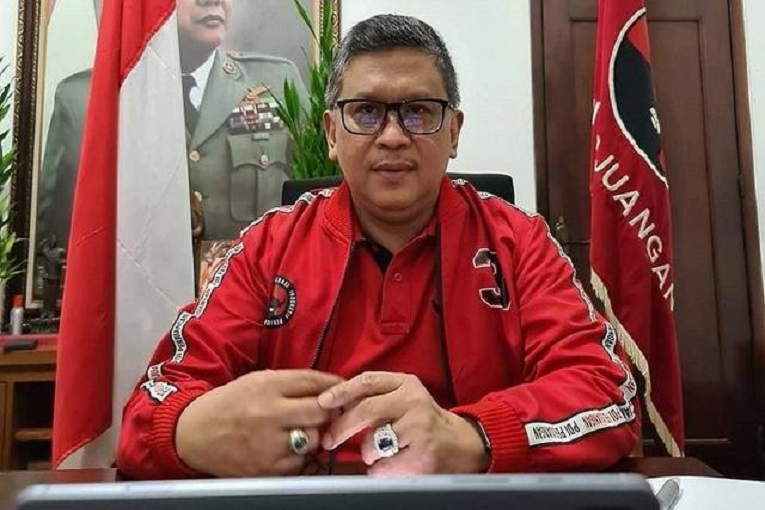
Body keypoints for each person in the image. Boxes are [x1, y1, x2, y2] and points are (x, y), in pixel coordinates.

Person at [117, 14, 639, 479]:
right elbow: (147, 411)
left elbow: (606, 392)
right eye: (365, 112)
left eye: (419, 112)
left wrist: (471, 437)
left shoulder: (519, 242)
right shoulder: (267, 247)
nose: (392, 136)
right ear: (331, 133)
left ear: (454, 132)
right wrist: (191, 431)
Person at [35, 0, 306, 293]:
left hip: (250, 303)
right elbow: (59, 248)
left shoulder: (277, 84)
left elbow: (311, 216)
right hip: (137, 306)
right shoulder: (82, 102)